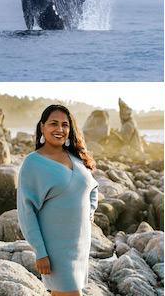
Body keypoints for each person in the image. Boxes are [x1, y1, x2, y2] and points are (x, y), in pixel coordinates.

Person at [17, 105, 98, 296]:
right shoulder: (33, 163)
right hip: (55, 250)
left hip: (79, 246)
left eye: (65, 125)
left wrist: (91, 209)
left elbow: (93, 187)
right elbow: (26, 211)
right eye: (54, 124)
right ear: (42, 127)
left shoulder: (76, 158)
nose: (60, 129)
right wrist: (40, 252)